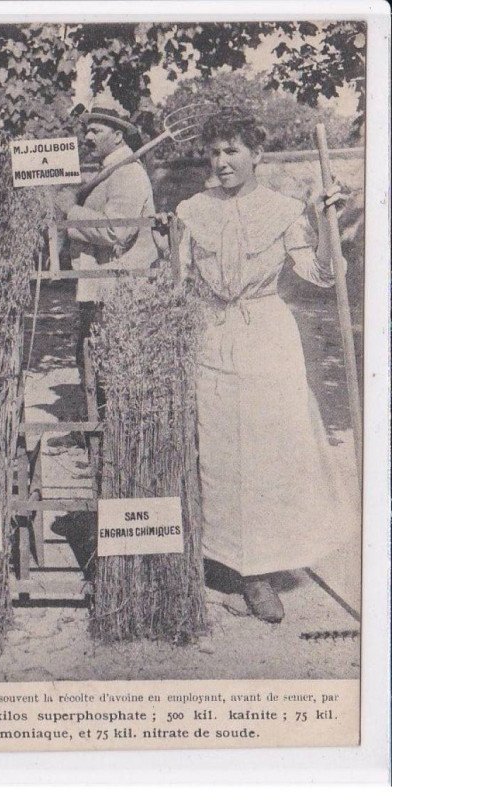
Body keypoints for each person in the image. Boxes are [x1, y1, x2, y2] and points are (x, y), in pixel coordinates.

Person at [174, 109, 360, 623]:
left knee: (266, 452)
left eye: (232, 150)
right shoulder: (191, 212)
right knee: (214, 448)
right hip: (211, 336)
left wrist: (329, 225)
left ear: (257, 154)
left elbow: (322, 274)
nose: (222, 160)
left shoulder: (282, 211)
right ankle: (219, 559)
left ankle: (260, 572)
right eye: (214, 151)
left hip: (269, 341)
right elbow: (175, 287)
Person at [53, 102, 158, 370]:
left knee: (109, 368)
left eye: (95, 131)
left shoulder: (128, 173)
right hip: (100, 286)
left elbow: (116, 230)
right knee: (91, 362)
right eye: (86, 131)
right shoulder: (108, 171)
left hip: (119, 288)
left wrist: (72, 210)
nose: (87, 137)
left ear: (118, 136)